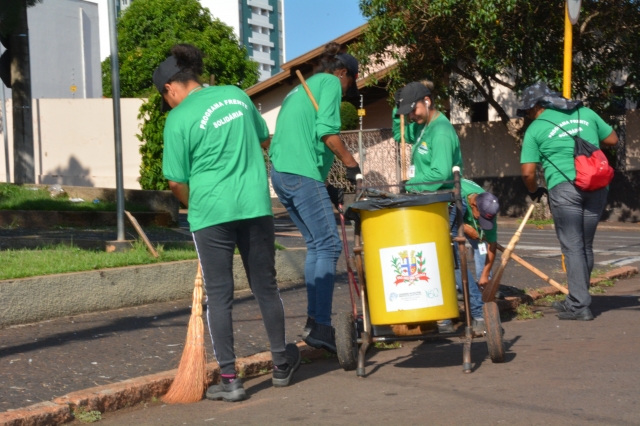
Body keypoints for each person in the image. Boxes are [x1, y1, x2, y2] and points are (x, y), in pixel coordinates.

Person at [155, 44, 300, 402]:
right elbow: (264, 139)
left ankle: (231, 380)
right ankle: (281, 365)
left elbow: (175, 181)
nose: (169, 105)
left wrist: (197, 207)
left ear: (171, 88)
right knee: (265, 286)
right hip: (254, 206)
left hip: (210, 215)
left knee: (219, 296)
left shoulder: (177, 119)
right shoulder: (237, 96)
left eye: (166, 99)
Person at [268, 42, 361, 353]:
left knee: (317, 245)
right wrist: (351, 165)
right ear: (343, 73)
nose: (347, 92)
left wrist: (325, 185)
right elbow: (328, 134)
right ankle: (319, 325)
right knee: (330, 244)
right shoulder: (332, 84)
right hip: (300, 172)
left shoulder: (301, 88)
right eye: (350, 83)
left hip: (282, 173)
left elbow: (303, 135)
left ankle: (315, 324)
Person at [519, 82, 619, 321]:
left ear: (537, 105)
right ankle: (579, 297)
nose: (527, 114)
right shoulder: (585, 113)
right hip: (596, 185)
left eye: (527, 110)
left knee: (573, 247)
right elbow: (613, 139)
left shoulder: (536, 128)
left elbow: (527, 173)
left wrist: (534, 192)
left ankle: (579, 304)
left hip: (564, 189)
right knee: (585, 245)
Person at [396, 82, 485, 332]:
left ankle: (477, 315)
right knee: (434, 263)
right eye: (408, 113)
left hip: (445, 203)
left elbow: (440, 172)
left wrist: (410, 184)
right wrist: (398, 107)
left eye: (412, 109)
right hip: (429, 203)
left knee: (453, 263)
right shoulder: (422, 127)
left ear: (427, 100)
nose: (410, 116)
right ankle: (443, 315)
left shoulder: (441, 131)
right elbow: (397, 133)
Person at [457, 178, 501, 329]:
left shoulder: (488, 206)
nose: (482, 220)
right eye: (480, 216)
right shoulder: (459, 194)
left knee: (483, 246)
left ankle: (484, 289)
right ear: (473, 204)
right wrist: (464, 227)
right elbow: (443, 221)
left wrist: (485, 274)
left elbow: (492, 244)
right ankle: (458, 288)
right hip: (453, 212)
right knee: (455, 257)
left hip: (470, 222)